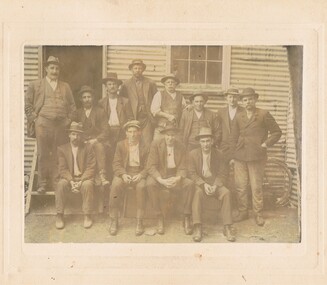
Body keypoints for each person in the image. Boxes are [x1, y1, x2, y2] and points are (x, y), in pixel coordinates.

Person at [230, 87, 282, 226]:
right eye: (245, 100)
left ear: (255, 99)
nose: (248, 102)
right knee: (240, 186)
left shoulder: (264, 114)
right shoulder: (239, 116)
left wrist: (266, 144)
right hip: (240, 155)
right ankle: (243, 211)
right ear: (242, 102)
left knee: (256, 186)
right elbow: (233, 137)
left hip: (257, 155)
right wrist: (232, 155)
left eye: (250, 99)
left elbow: (277, 132)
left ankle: (258, 213)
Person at [25, 56, 76, 193]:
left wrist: (68, 120)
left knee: (58, 153)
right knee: (43, 154)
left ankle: (55, 182)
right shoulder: (35, 84)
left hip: (60, 125)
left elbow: (72, 106)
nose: (54, 71)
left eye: (57, 68)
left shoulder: (65, 86)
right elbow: (28, 105)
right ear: (46, 69)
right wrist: (35, 119)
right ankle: (42, 184)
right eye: (52, 68)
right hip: (43, 123)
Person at [188, 127, 235, 242]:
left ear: (212, 141)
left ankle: (227, 227)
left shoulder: (219, 154)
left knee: (226, 193)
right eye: (203, 141)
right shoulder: (192, 154)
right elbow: (192, 174)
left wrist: (215, 185)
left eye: (208, 141)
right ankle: (198, 226)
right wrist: (203, 184)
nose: (205, 144)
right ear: (199, 142)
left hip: (214, 183)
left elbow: (223, 173)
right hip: (200, 183)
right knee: (197, 193)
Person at [146, 123, 194, 235]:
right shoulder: (156, 144)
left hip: (175, 175)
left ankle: (186, 217)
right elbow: (151, 166)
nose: (170, 138)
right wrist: (161, 180)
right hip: (161, 175)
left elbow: (183, 166)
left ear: (176, 136)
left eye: (172, 135)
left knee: (190, 184)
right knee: (150, 184)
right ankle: (159, 217)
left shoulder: (181, 147)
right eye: (168, 135)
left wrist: (177, 178)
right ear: (164, 135)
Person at [109, 120, 149, 236]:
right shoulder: (121, 145)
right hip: (125, 172)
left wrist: (141, 174)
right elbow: (116, 163)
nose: (132, 135)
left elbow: (149, 165)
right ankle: (114, 220)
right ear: (126, 133)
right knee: (115, 185)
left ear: (140, 133)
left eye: (135, 132)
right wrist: (123, 174)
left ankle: (139, 221)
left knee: (142, 187)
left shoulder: (145, 146)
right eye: (130, 132)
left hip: (139, 173)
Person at [55, 122, 96, 229]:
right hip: (69, 178)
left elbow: (91, 167)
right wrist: (72, 181)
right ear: (69, 135)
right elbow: (62, 169)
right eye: (73, 134)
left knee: (87, 185)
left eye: (78, 135)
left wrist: (81, 180)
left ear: (81, 136)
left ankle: (87, 216)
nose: (75, 137)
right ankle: (59, 215)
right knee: (61, 185)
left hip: (84, 178)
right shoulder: (62, 149)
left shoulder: (88, 147)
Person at [72, 85, 110, 186]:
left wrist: (96, 139)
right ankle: (82, 176)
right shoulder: (77, 113)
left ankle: (102, 175)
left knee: (99, 147)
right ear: (81, 99)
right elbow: (73, 128)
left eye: (89, 97)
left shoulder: (100, 111)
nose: (87, 99)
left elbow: (106, 130)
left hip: (96, 140)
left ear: (93, 98)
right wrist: (80, 138)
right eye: (84, 97)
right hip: (82, 140)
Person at [119, 59, 158, 147]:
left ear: (143, 70)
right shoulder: (126, 84)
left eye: (140, 68)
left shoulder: (150, 83)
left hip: (147, 117)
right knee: (134, 142)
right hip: (133, 117)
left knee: (147, 142)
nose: (137, 70)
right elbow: (121, 101)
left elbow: (157, 98)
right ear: (131, 70)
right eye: (135, 68)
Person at [150, 74, 187, 140]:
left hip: (174, 129)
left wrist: (188, 108)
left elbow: (184, 109)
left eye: (172, 82)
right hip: (161, 128)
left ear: (176, 84)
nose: (170, 84)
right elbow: (154, 110)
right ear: (164, 84)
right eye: (168, 82)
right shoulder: (159, 94)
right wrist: (168, 116)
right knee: (157, 146)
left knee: (176, 147)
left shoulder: (180, 96)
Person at [217, 88, 244, 162]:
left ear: (238, 98)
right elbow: (218, 130)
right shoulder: (221, 112)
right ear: (226, 98)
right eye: (230, 97)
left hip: (239, 148)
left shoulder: (243, 111)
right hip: (224, 148)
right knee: (224, 171)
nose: (232, 100)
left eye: (234, 97)